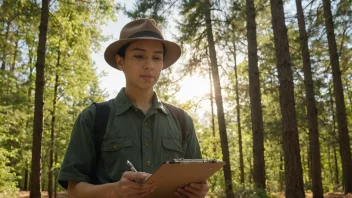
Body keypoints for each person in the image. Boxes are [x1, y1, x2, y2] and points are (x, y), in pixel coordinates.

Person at [58, 18, 209, 198]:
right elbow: (74, 192)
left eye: (156, 58)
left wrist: (199, 192)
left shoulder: (182, 121)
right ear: (120, 61)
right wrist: (115, 190)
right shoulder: (94, 117)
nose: (149, 65)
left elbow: (197, 182)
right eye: (139, 56)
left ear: (162, 64)